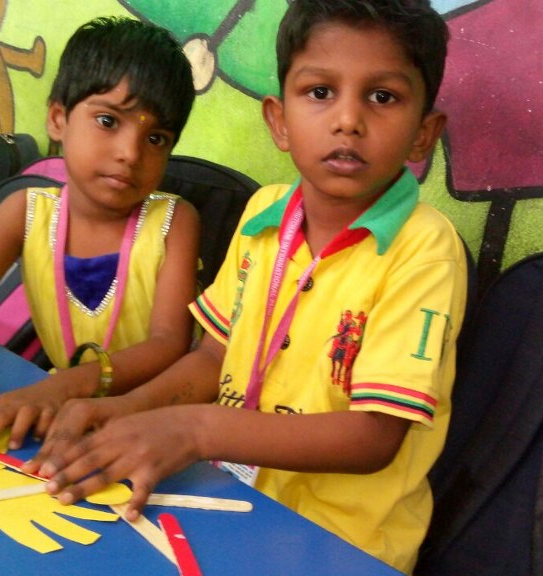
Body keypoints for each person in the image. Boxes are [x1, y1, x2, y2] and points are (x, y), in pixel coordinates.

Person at [26, 1, 465, 571]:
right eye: (320, 92)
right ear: (279, 121)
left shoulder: (424, 248)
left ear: (423, 134)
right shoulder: (264, 215)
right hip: (227, 502)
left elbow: (373, 437)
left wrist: (194, 429)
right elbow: (214, 357)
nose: (348, 120)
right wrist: (126, 411)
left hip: (338, 547)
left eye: (382, 97)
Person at [0, 17, 200, 454]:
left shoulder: (174, 222)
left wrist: (62, 388)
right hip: (56, 420)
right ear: (58, 118)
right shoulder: (24, 212)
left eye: (156, 138)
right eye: (108, 121)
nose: (130, 153)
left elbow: (168, 344)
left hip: (148, 426)